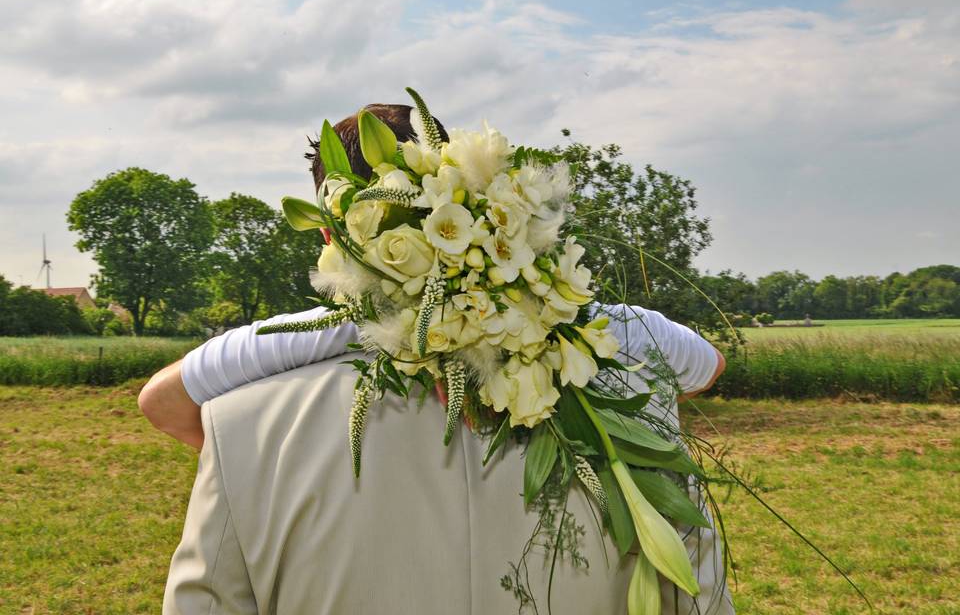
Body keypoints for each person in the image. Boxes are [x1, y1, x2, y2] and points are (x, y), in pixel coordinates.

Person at [142, 105, 732, 614]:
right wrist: (546, 311)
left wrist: (367, 329)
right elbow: (706, 367)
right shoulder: (614, 343)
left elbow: (160, 402)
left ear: (330, 233)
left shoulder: (244, 419)